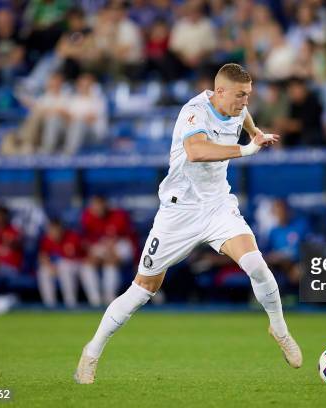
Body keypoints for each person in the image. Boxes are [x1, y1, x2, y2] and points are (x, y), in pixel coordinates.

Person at [74, 63, 302, 384]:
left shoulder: (236, 108)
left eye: (248, 95)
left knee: (257, 265)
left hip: (217, 206)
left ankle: (279, 329)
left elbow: (243, 116)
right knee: (142, 289)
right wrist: (247, 148)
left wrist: (254, 131)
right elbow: (195, 151)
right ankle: (91, 352)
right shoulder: (194, 112)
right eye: (240, 95)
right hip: (179, 212)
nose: (245, 102)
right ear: (219, 91)